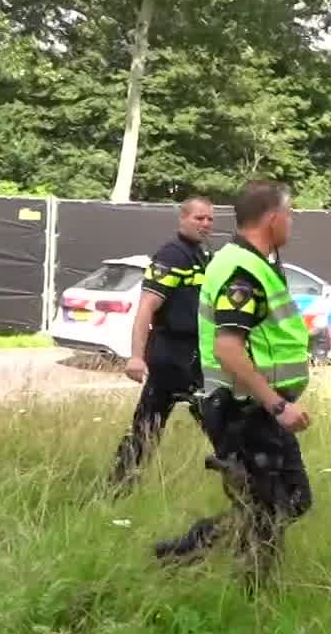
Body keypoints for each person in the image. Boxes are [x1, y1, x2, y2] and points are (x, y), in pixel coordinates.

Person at [153, 180, 315, 592]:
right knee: (269, 506)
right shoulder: (242, 271)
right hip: (247, 410)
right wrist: (278, 406)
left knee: (290, 500)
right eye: (290, 214)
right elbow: (228, 348)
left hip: (258, 410)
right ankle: (253, 592)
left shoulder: (253, 262)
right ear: (273, 218)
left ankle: (193, 552)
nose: (292, 223)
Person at [107, 196, 215, 496]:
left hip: (195, 354)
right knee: (147, 427)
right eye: (199, 218)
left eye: (209, 219)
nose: (205, 224)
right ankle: (119, 488)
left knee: (218, 422)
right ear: (182, 218)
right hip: (171, 355)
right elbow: (146, 308)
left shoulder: (202, 254)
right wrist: (136, 357)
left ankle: (243, 479)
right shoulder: (171, 255)